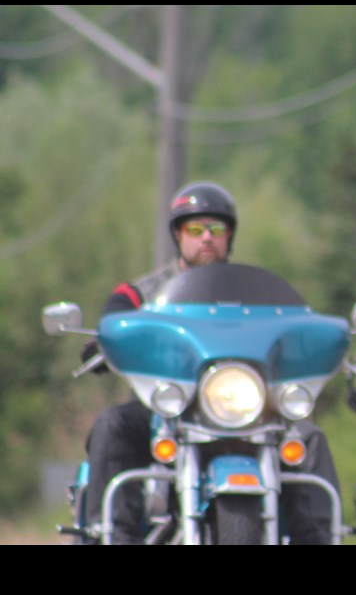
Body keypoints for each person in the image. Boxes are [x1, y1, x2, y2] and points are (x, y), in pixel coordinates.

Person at [82, 181, 340, 544]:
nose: (206, 238)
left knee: (309, 439)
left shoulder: (262, 294)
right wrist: (103, 342)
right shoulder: (141, 292)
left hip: (248, 409)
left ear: (229, 236)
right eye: (195, 228)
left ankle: (319, 539)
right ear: (178, 234)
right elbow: (113, 322)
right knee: (113, 425)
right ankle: (114, 536)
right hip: (166, 411)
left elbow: (295, 324)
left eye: (216, 229)